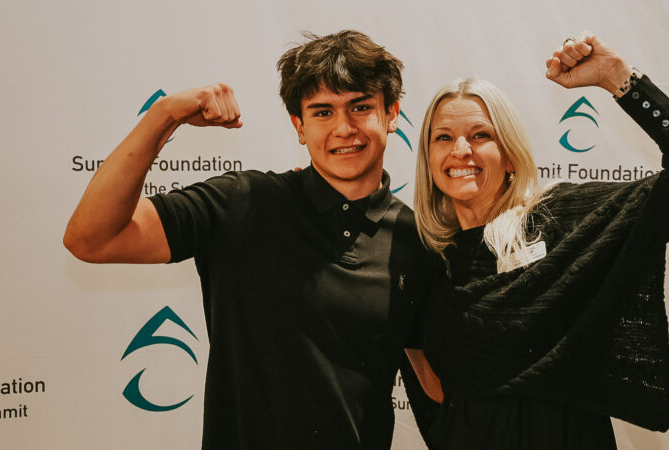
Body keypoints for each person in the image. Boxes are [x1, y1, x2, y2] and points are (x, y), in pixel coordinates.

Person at [63, 30, 432, 449]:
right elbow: (91, 238)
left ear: (392, 113)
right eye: (323, 112)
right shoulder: (242, 203)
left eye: (360, 107)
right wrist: (163, 115)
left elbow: (438, 386)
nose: (344, 128)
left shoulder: (417, 242)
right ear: (299, 126)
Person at [403, 31, 669, 449]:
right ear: (429, 158)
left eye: (480, 135)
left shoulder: (561, 221)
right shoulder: (425, 255)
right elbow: (428, 378)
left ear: (510, 154)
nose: (460, 150)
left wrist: (618, 78)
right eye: (443, 137)